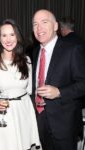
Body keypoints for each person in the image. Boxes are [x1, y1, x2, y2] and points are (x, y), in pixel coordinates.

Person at [0, 19, 40, 150]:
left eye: (12, 35)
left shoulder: (27, 60)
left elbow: (30, 90)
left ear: (17, 37)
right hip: (4, 115)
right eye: (4, 35)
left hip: (25, 111)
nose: (8, 39)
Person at [32, 9, 85, 150]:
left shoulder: (73, 49)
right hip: (41, 120)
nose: (39, 28)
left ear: (56, 26)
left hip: (64, 125)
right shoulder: (36, 51)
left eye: (44, 22)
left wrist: (59, 92)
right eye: (35, 24)